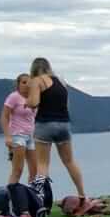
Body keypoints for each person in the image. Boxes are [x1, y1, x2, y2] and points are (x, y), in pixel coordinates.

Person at [28, 57, 86, 199]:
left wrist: (27, 101)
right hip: (64, 124)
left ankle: (41, 198)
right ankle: (82, 195)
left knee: (42, 164)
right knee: (69, 161)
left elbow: (34, 103)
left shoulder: (37, 81)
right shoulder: (61, 82)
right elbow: (66, 106)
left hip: (45, 124)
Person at [0, 73, 38, 187]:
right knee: (18, 170)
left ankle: (33, 198)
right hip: (17, 135)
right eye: (24, 82)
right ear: (18, 84)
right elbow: (4, 117)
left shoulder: (33, 98)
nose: (27, 85)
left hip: (30, 136)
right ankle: (12, 199)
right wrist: (7, 136)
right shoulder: (14, 97)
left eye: (29, 83)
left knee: (34, 171)